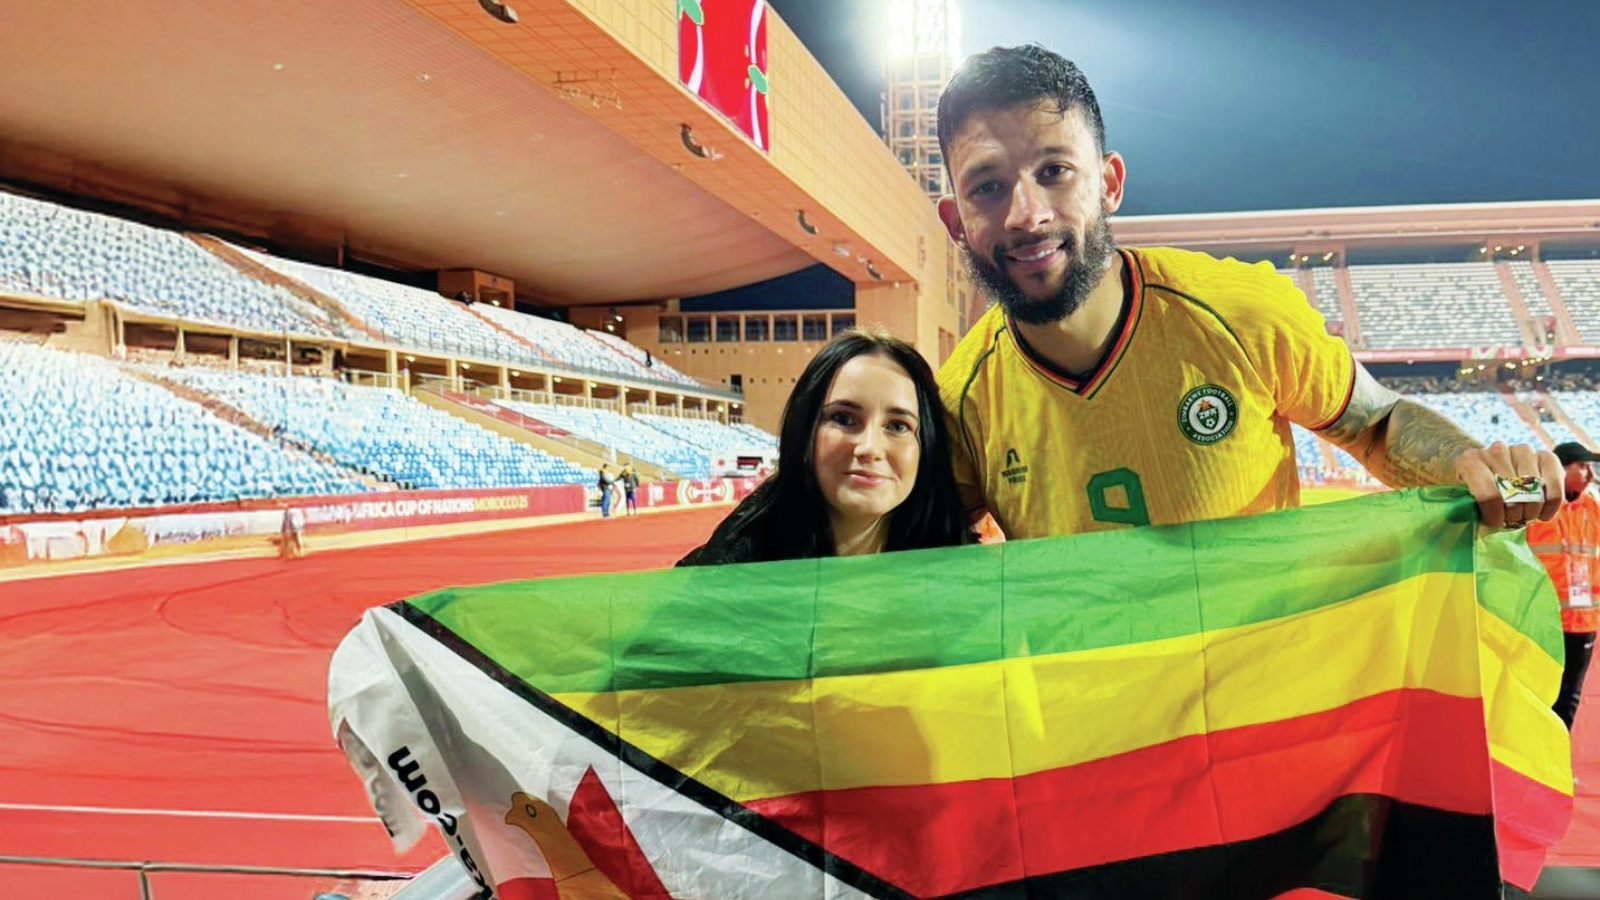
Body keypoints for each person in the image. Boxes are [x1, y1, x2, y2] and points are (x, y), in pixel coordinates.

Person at [932, 44, 1561, 539]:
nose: (1026, 213)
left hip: (1262, 702)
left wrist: (1472, 468)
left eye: (1055, 172)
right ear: (957, 223)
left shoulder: (1239, 312)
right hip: (1091, 705)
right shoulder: (959, 403)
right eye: (987, 186)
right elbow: (917, 556)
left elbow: (1377, 423)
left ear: (1109, 183)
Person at [679, 331, 972, 565]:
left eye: (898, 426)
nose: (869, 448)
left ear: (926, 447)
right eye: (843, 419)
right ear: (805, 430)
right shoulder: (728, 570)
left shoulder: (962, 577)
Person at [1528, 442, 1600, 730]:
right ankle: (1527, 761)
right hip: (1542, 620)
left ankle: (1554, 763)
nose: (1590, 474)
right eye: (1582, 466)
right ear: (1560, 468)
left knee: (1569, 696)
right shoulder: (1533, 495)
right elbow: (1494, 490)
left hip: (1583, 621)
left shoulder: (1594, 506)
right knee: (1536, 691)